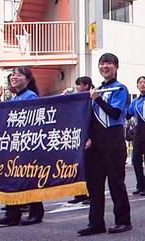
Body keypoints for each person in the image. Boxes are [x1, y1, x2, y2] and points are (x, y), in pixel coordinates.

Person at [78, 54, 132, 236]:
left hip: (113, 141)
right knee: (95, 185)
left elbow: (115, 113)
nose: (105, 66)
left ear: (116, 67)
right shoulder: (98, 89)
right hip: (97, 143)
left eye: (109, 63)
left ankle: (123, 221)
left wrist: (97, 99)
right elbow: (91, 119)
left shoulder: (120, 89)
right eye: (102, 63)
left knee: (116, 183)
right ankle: (95, 223)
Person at [0, 67, 45, 226]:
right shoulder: (15, 97)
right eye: (13, 74)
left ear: (28, 80)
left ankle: (36, 212)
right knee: (12, 180)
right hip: (14, 145)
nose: (14, 77)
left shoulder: (30, 96)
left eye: (19, 75)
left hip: (26, 145)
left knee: (29, 179)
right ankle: (12, 213)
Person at [67, 76, 94, 204]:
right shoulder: (79, 100)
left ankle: (90, 194)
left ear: (86, 86)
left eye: (79, 85)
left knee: (89, 169)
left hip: (89, 138)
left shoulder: (91, 99)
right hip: (78, 137)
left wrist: (91, 138)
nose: (77, 88)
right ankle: (80, 194)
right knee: (78, 167)